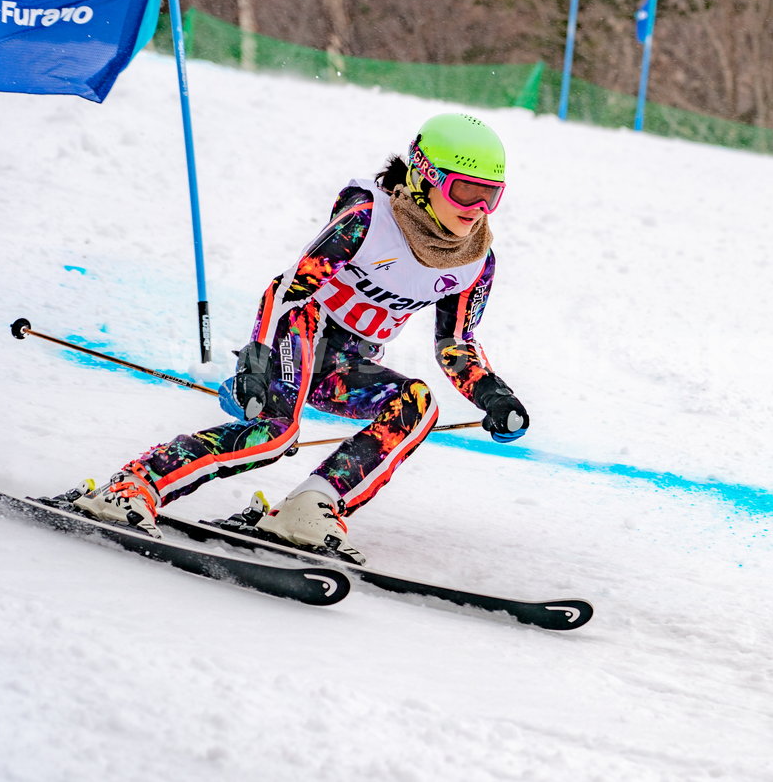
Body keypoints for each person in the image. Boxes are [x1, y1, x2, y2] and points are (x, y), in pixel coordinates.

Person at [67, 113, 529, 564]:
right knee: (275, 432)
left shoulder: (474, 259)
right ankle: (134, 485)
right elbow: (287, 290)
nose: (478, 211)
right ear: (424, 178)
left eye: (492, 196)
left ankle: (311, 507)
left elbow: (456, 343)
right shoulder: (369, 220)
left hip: (346, 359)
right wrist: (255, 363)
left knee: (415, 403)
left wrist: (493, 395)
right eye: (465, 192)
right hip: (300, 328)